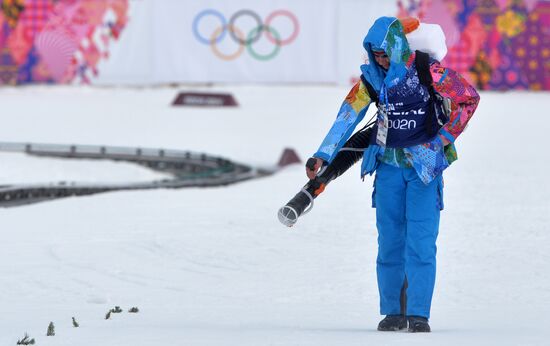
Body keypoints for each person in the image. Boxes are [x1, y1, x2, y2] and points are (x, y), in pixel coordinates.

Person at [305, 16, 480, 332]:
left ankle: (419, 314)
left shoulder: (429, 71)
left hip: (424, 170)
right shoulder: (371, 79)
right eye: (375, 55)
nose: (381, 60)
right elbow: (347, 116)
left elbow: (468, 98)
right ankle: (393, 313)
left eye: (385, 53)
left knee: (421, 242)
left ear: (398, 46)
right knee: (389, 242)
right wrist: (323, 154)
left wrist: (443, 140)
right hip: (386, 169)